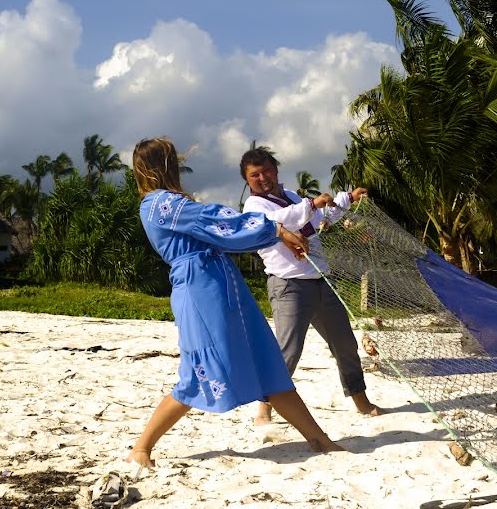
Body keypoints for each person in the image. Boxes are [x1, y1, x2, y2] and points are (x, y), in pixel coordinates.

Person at [126, 138, 343, 470]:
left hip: (223, 286)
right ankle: (142, 447)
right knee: (200, 372)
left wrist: (277, 231)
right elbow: (217, 221)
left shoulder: (170, 202)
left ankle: (319, 438)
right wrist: (276, 229)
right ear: (162, 165)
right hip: (200, 289)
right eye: (173, 159)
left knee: (266, 361)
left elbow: (220, 229)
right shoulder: (158, 204)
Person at [240, 147, 383, 425]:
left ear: (276, 170)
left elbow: (320, 221)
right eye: (254, 175)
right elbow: (283, 222)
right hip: (288, 285)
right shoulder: (255, 207)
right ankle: (264, 408)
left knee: (345, 344)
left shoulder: (292, 196)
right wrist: (312, 205)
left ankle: (360, 400)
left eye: (267, 170)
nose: (262, 177)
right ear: (248, 181)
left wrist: (347, 199)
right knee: (288, 350)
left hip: (322, 280)